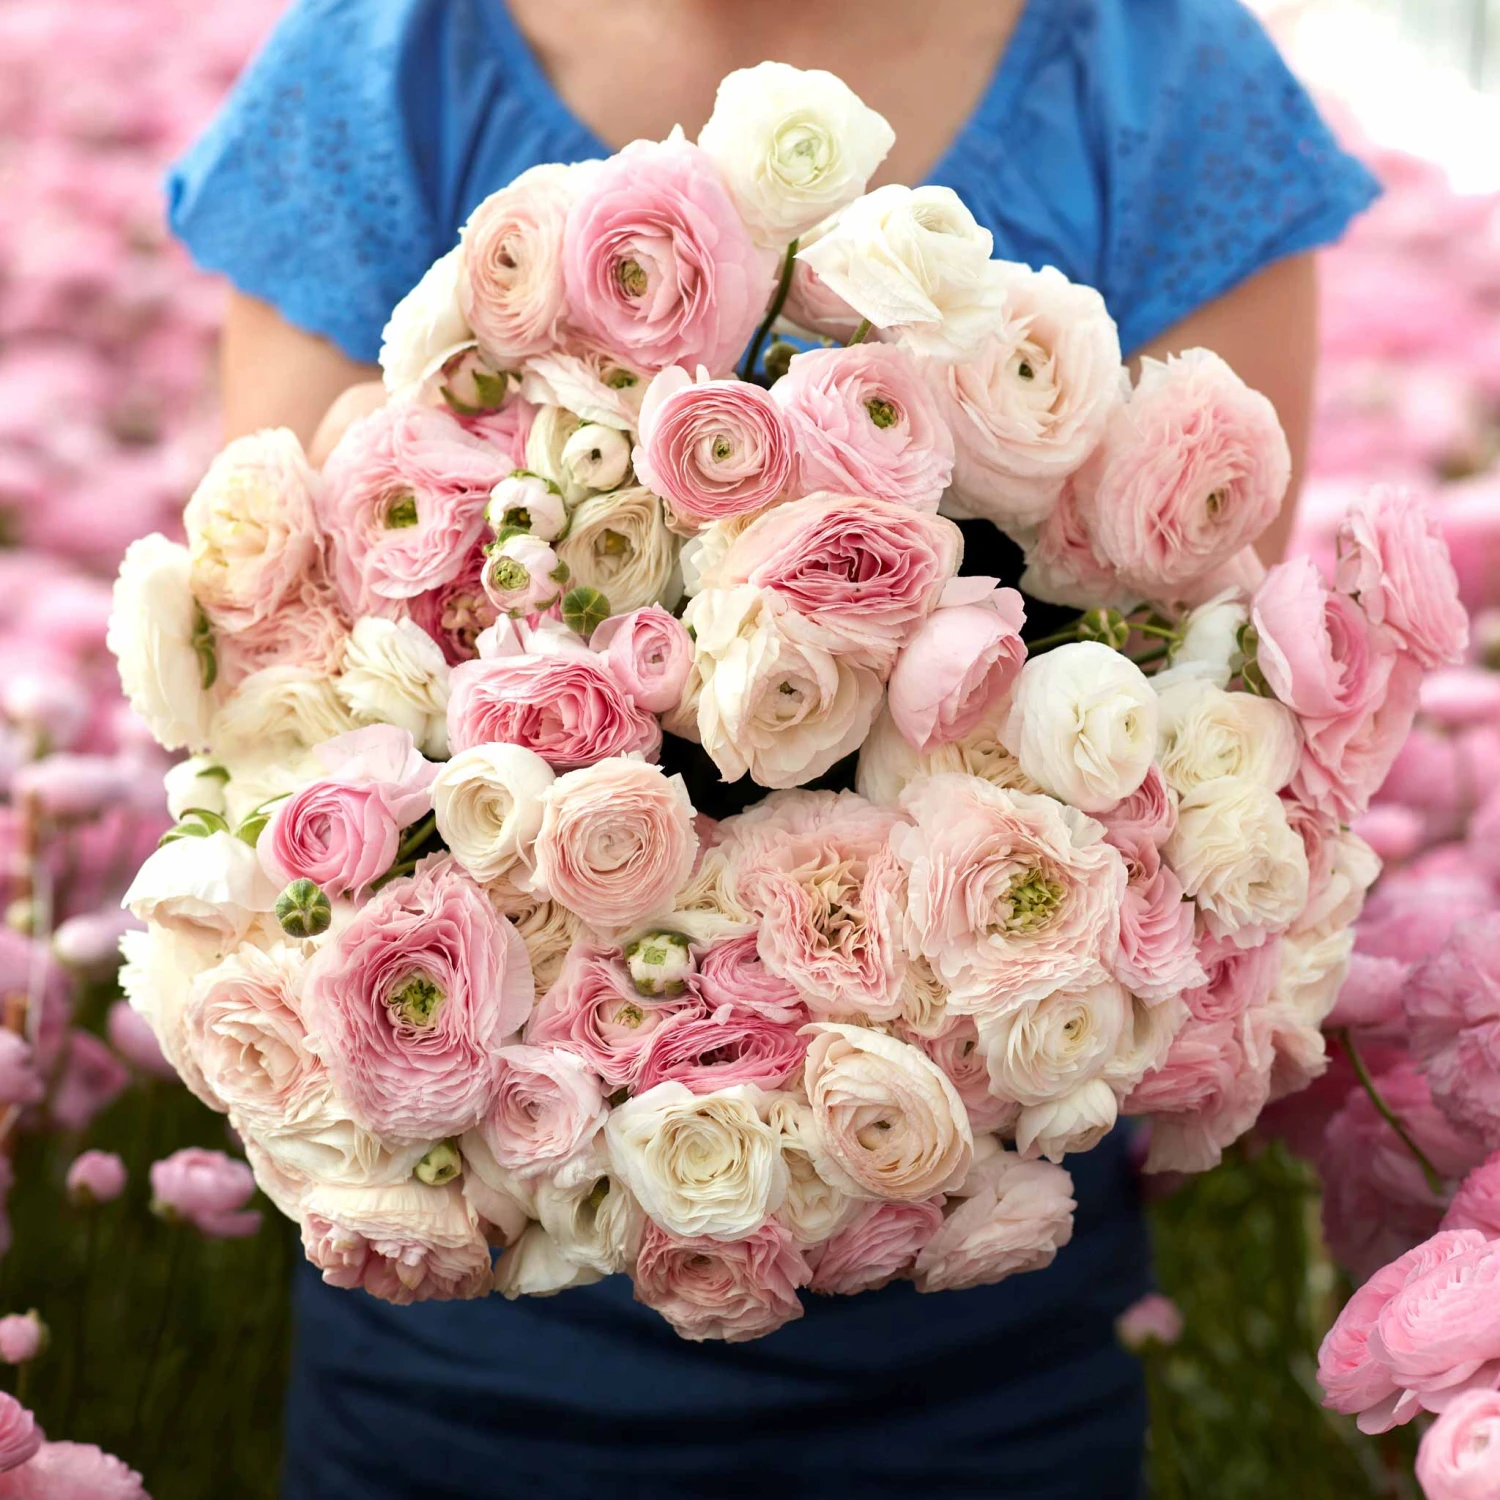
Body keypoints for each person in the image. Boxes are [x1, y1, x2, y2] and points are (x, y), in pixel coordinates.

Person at [167, 2, 1378, 1496]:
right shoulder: (382, 70)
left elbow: (1199, 711)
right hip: (473, 1338)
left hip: (982, 1349)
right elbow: (295, 697)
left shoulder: (1167, 77)